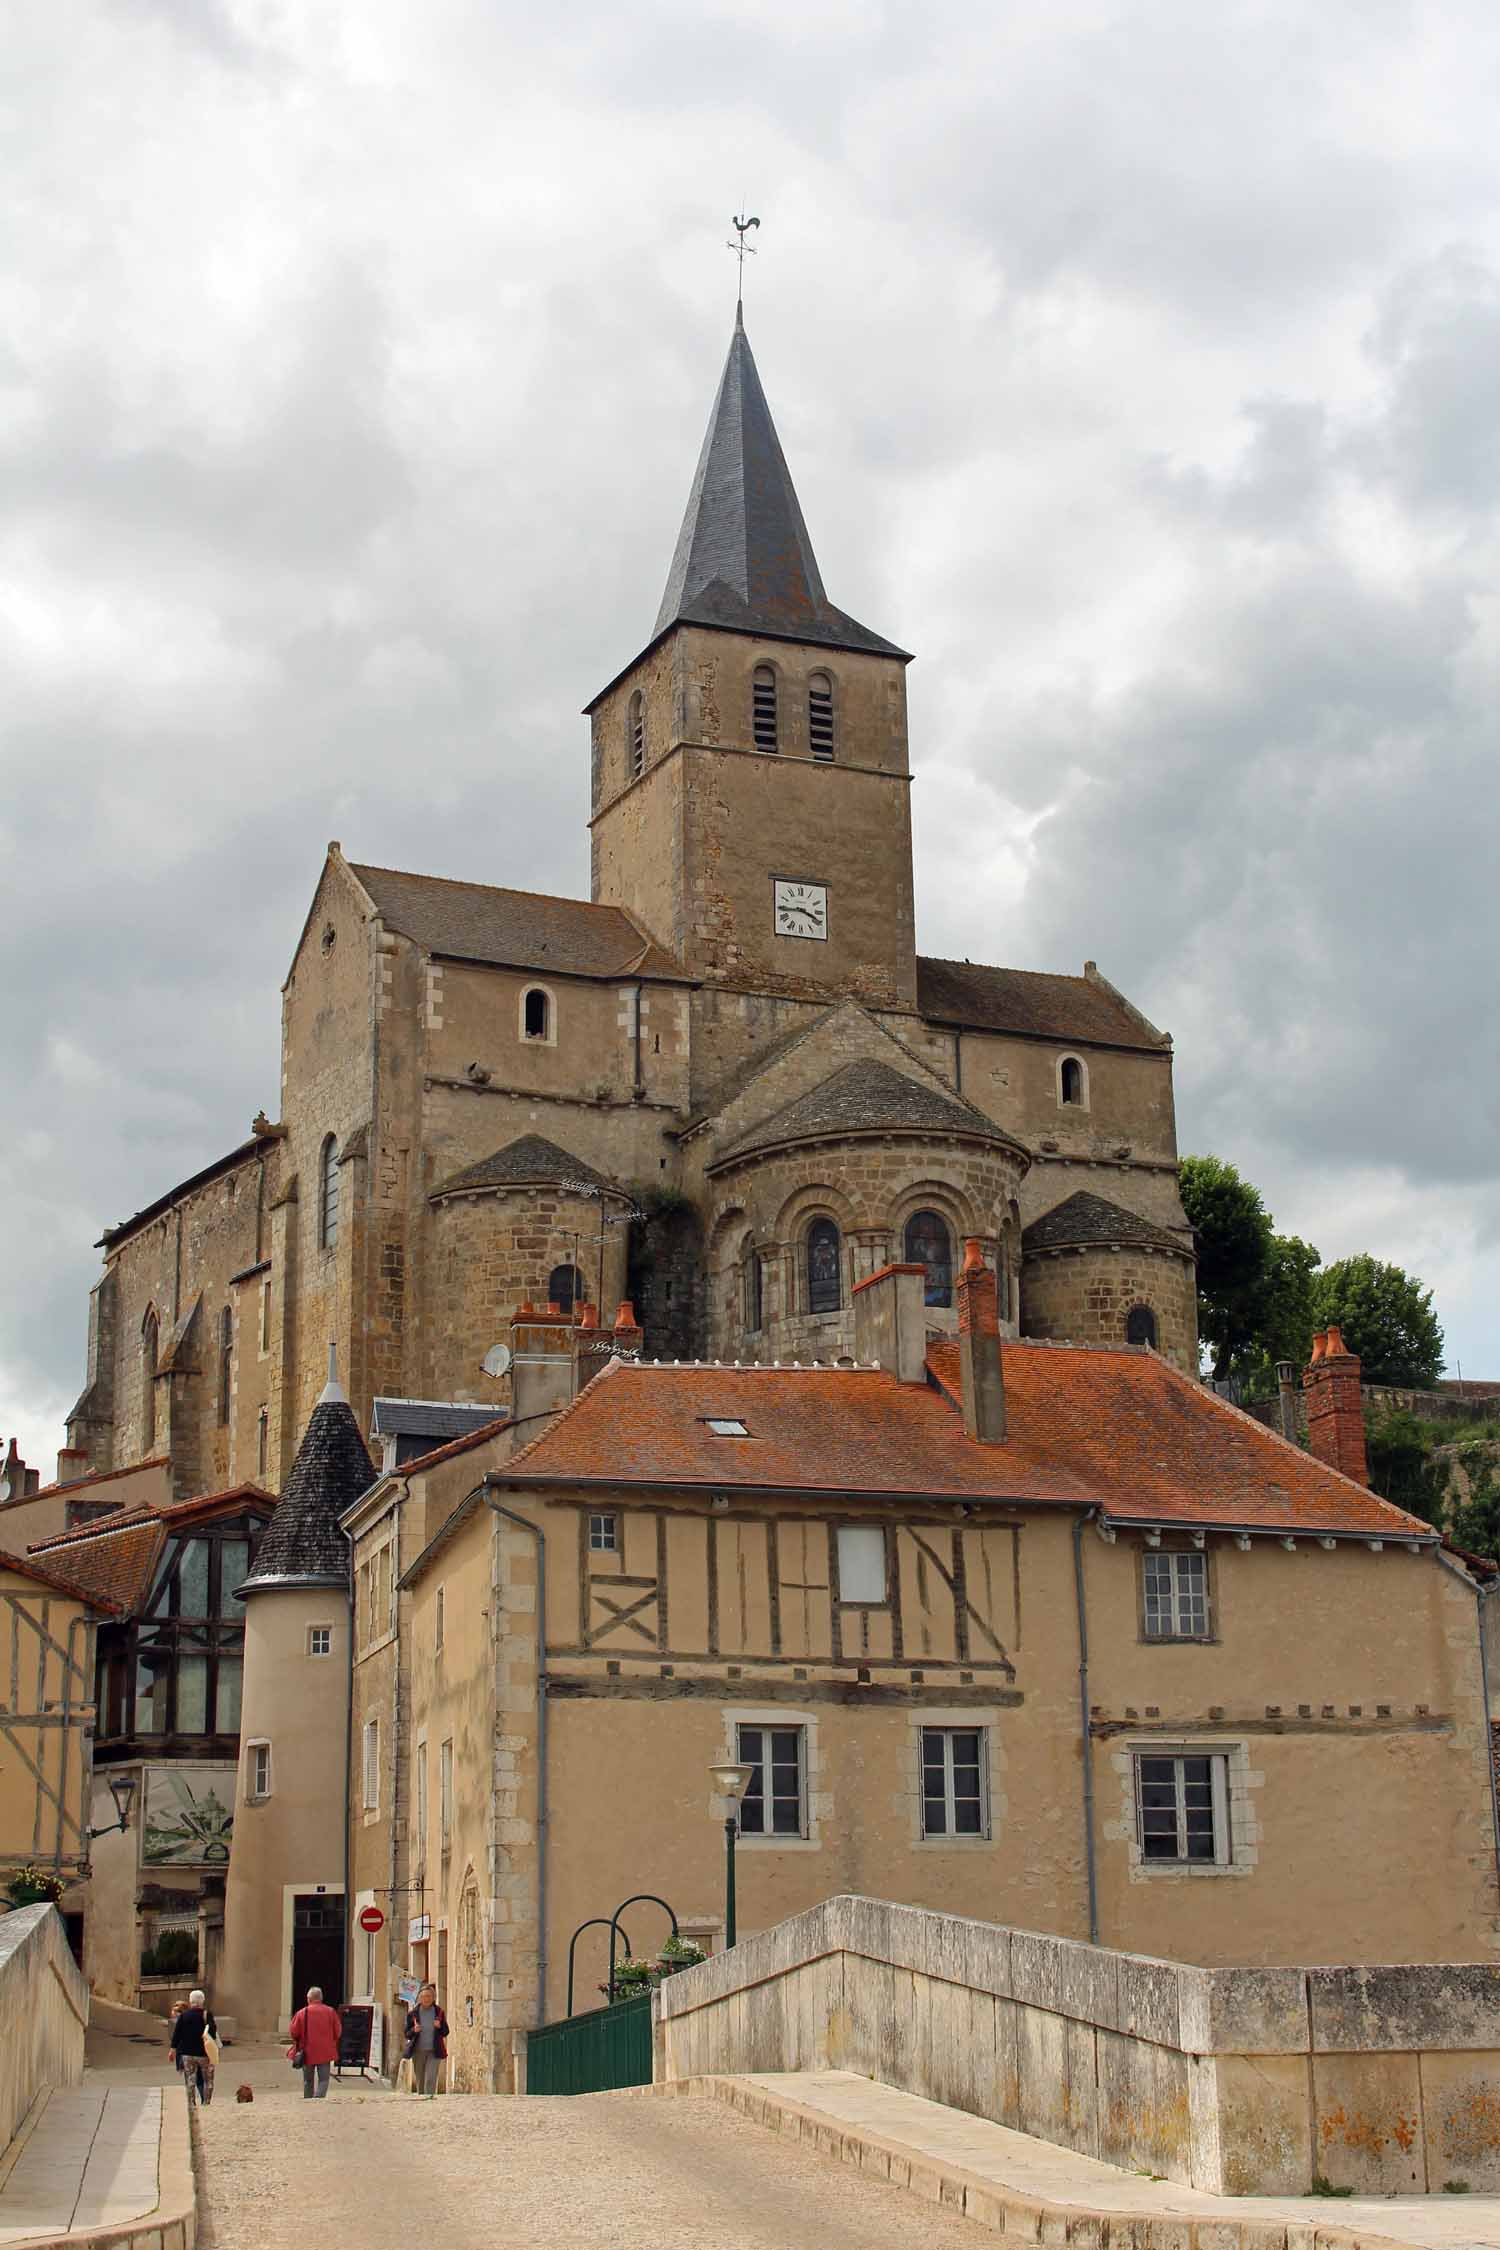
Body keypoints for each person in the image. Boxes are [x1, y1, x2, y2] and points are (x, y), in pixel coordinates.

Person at [288, 1984, 342, 2099]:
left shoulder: (302, 2013)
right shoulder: (330, 2012)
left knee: (308, 2080)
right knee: (324, 2079)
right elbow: (338, 2032)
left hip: (307, 2052)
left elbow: (293, 2032)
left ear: (309, 1999)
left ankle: (308, 2101)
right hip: (325, 2051)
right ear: (321, 1998)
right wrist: (331, 2042)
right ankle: (318, 2099)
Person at [169, 1988, 218, 2106]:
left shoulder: (184, 2016)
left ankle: (191, 2103)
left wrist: (172, 2050)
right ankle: (206, 2103)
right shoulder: (207, 2014)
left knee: (190, 2079)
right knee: (207, 2080)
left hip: (187, 2054)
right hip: (204, 2053)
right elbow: (213, 2031)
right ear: (202, 2001)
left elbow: (177, 2034)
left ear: (191, 2001)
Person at [402, 1982, 449, 2098]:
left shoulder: (439, 2012)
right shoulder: (412, 2014)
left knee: (431, 2077)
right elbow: (406, 2034)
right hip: (418, 2051)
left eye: (429, 1996)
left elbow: (446, 2032)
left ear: (433, 1998)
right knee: (420, 2078)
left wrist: (439, 2026)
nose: (426, 1999)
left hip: (434, 2050)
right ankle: (421, 2099)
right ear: (419, 1998)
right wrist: (414, 2030)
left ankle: (429, 2099)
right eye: (423, 1996)